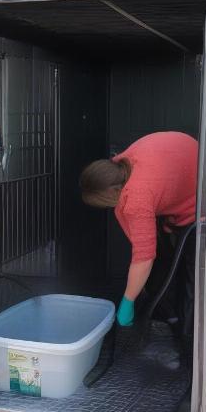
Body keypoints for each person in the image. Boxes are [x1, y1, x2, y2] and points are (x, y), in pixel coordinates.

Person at [79, 131, 198, 335]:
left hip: (197, 198)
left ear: (111, 193)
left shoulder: (136, 198)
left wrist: (128, 301)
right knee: (162, 258)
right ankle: (167, 309)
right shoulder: (122, 161)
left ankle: (182, 329)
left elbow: (144, 257)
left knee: (190, 271)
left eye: (101, 203)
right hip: (190, 156)